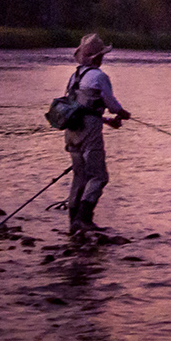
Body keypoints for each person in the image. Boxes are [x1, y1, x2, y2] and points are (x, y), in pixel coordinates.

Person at [62, 33, 128, 233]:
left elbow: (80, 107)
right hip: (89, 131)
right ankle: (85, 218)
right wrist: (122, 114)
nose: (103, 58)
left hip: (71, 129)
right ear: (97, 57)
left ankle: (73, 221)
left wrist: (106, 120)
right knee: (99, 176)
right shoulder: (100, 76)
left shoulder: (74, 77)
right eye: (102, 55)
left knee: (79, 175)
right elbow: (111, 104)